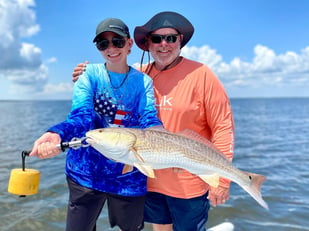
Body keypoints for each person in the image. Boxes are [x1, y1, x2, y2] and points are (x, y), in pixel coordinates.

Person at [72, 11, 235, 231]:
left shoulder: (202, 74)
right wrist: (85, 73)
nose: (164, 44)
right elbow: (111, 72)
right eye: (157, 38)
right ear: (147, 44)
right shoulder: (139, 76)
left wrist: (222, 180)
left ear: (180, 41)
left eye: (171, 38)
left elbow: (223, 128)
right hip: (149, 179)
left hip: (188, 182)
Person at [30, 18, 162, 231]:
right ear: (98, 48)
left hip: (128, 175)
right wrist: (56, 133)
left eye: (117, 42)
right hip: (85, 173)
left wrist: (161, 135)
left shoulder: (143, 82)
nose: (111, 48)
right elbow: (81, 116)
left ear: (129, 44)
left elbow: (149, 117)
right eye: (103, 44)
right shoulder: (89, 75)